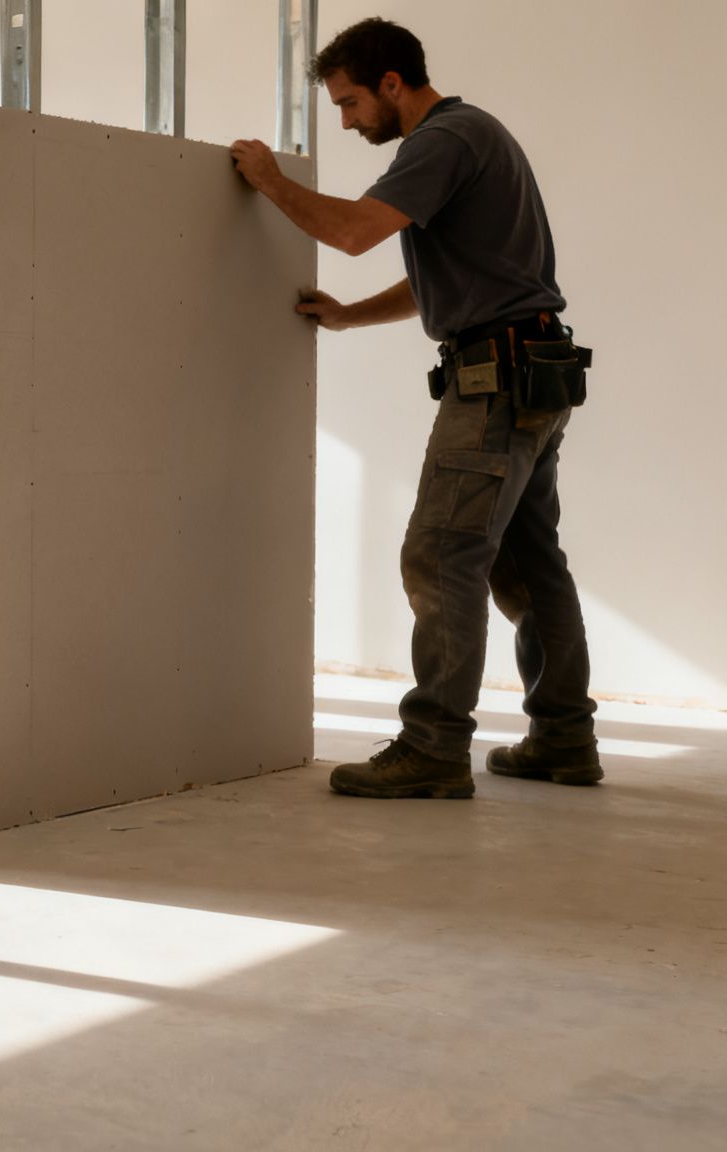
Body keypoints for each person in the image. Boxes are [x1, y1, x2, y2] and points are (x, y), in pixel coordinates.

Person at [228, 17, 599, 799]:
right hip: (537, 372)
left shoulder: (442, 141)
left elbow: (355, 231)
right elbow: (454, 280)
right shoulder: (474, 139)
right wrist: (350, 316)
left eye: (352, 102)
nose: (347, 120)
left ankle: (433, 747)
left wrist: (268, 179)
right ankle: (564, 739)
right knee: (529, 565)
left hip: (496, 382)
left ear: (393, 83)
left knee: (439, 558)